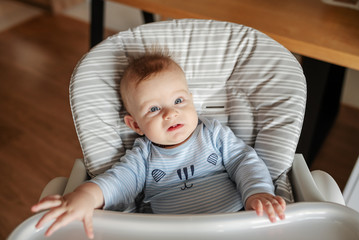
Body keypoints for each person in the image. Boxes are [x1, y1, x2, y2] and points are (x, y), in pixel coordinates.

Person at [32, 51, 286, 239]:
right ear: (136, 125)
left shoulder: (213, 133)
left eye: (178, 100)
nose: (170, 114)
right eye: (154, 109)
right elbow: (118, 181)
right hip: (170, 232)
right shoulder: (143, 156)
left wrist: (257, 193)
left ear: (192, 101)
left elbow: (244, 161)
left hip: (237, 225)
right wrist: (84, 197)